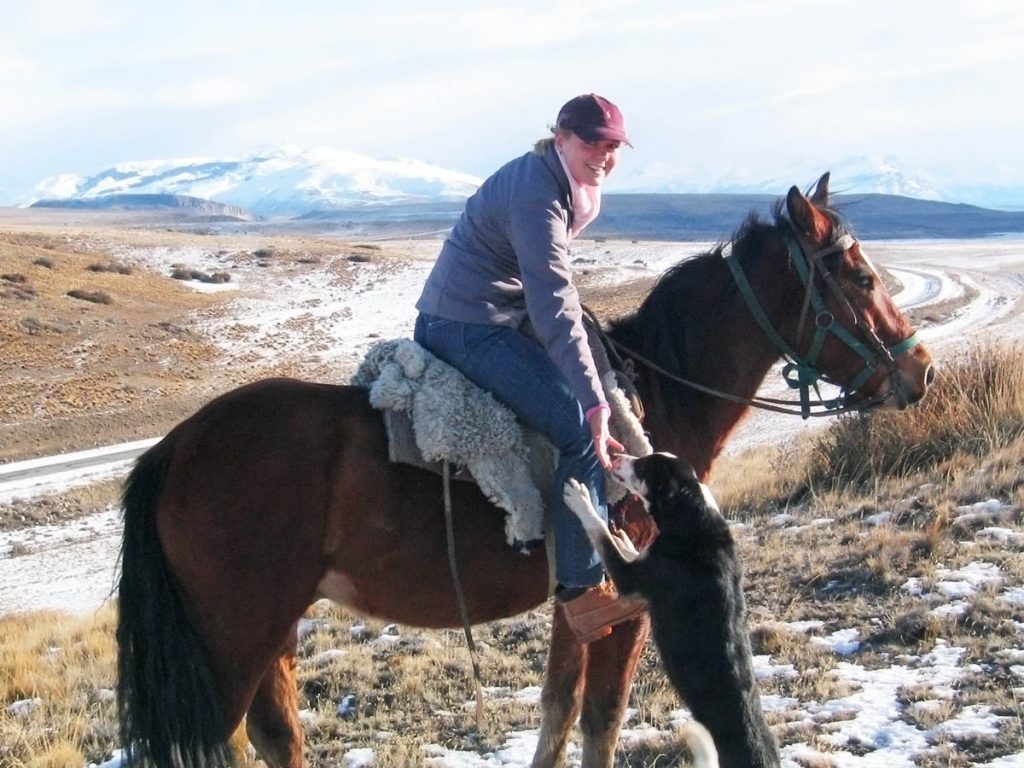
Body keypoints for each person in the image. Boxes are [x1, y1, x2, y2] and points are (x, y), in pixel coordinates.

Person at [414, 93, 646, 644]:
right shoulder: (539, 193)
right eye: (593, 141)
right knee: (575, 429)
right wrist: (592, 405)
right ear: (561, 136)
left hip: (494, 313)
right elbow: (552, 303)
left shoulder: (567, 183)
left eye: (613, 145)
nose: (604, 155)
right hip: (467, 325)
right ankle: (583, 592)